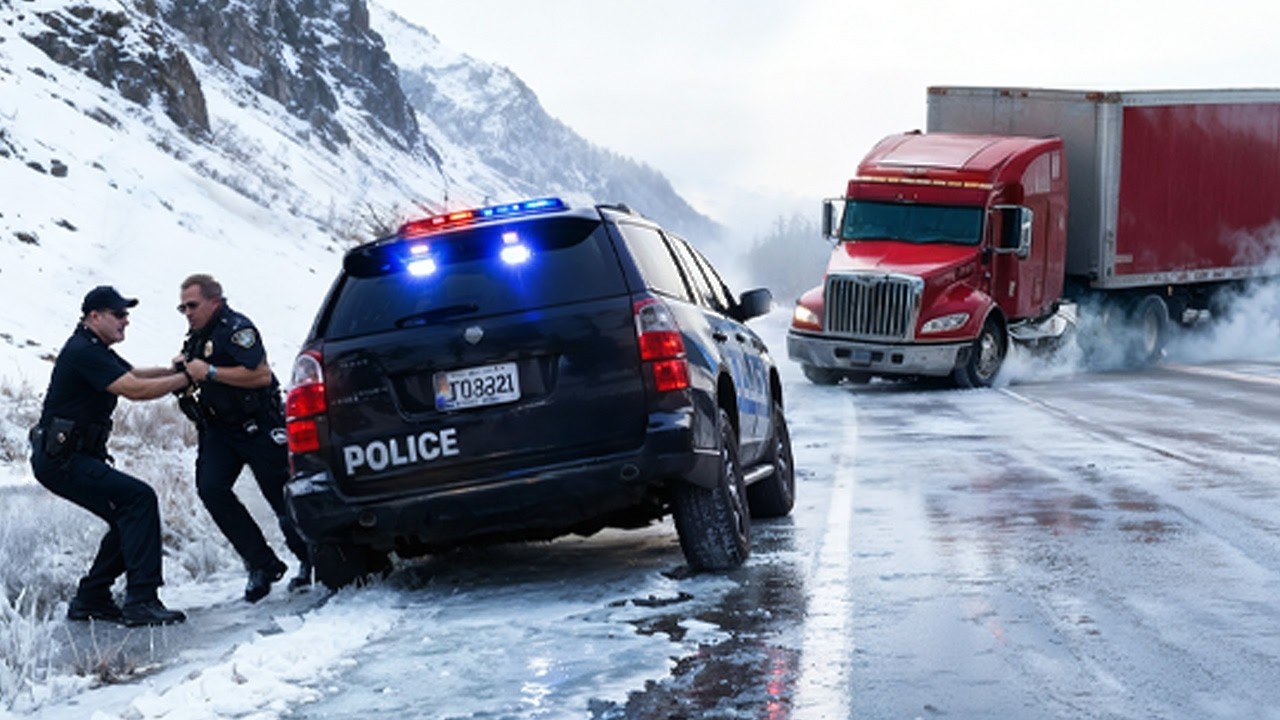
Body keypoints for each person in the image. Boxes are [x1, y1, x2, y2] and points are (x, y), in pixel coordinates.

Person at [30, 286, 190, 627]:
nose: (126, 321)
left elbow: (134, 375)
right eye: (118, 314)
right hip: (63, 460)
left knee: (128, 513)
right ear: (94, 316)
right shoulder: (82, 350)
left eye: (126, 314)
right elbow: (133, 390)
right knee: (139, 499)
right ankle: (141, 601)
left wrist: (173, 371)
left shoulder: (93, 347)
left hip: (67, 457)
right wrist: (187, 378)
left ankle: (92, 599)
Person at [174, 273, 310, 601]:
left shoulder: (236, 329)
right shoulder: (195, 337)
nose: (187, 312)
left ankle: (310, 558)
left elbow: (261, 375)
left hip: (256, 425)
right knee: (211, 489)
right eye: (182, 308)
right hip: (219, 430)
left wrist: (211, 372)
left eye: (192, 305)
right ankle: (261, 563)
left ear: (214, 301)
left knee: (280, 497)